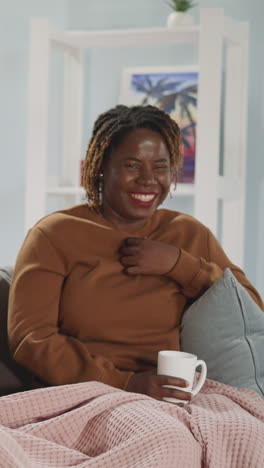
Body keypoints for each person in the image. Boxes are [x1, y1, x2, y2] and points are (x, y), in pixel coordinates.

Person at [8, 105, 263, 404]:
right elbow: (31, 339)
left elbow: (250, 313)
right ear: (101, 166)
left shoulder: (189, 234)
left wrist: (180, 265)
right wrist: (126, 383)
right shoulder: (54, 235)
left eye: (160, 166)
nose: (148, 179)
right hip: (81, 396)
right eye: (132, 165)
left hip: (172, 397)